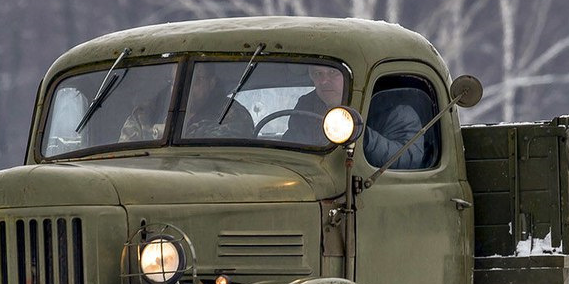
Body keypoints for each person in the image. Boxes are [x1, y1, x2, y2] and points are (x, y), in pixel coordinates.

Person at [285, 65, 425, 169]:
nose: (323, 81)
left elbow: (410, 159)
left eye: (333, 72)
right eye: (318, 74)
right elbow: (291, 146)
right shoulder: (307, 107)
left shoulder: (394, 111)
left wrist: (360, 135)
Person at [181, 66, 255, 139]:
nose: (186, 87)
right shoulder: (172, 114)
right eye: (177, 82)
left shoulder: (231, 113)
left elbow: (219, 148)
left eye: (195, 80)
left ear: (211, 82)